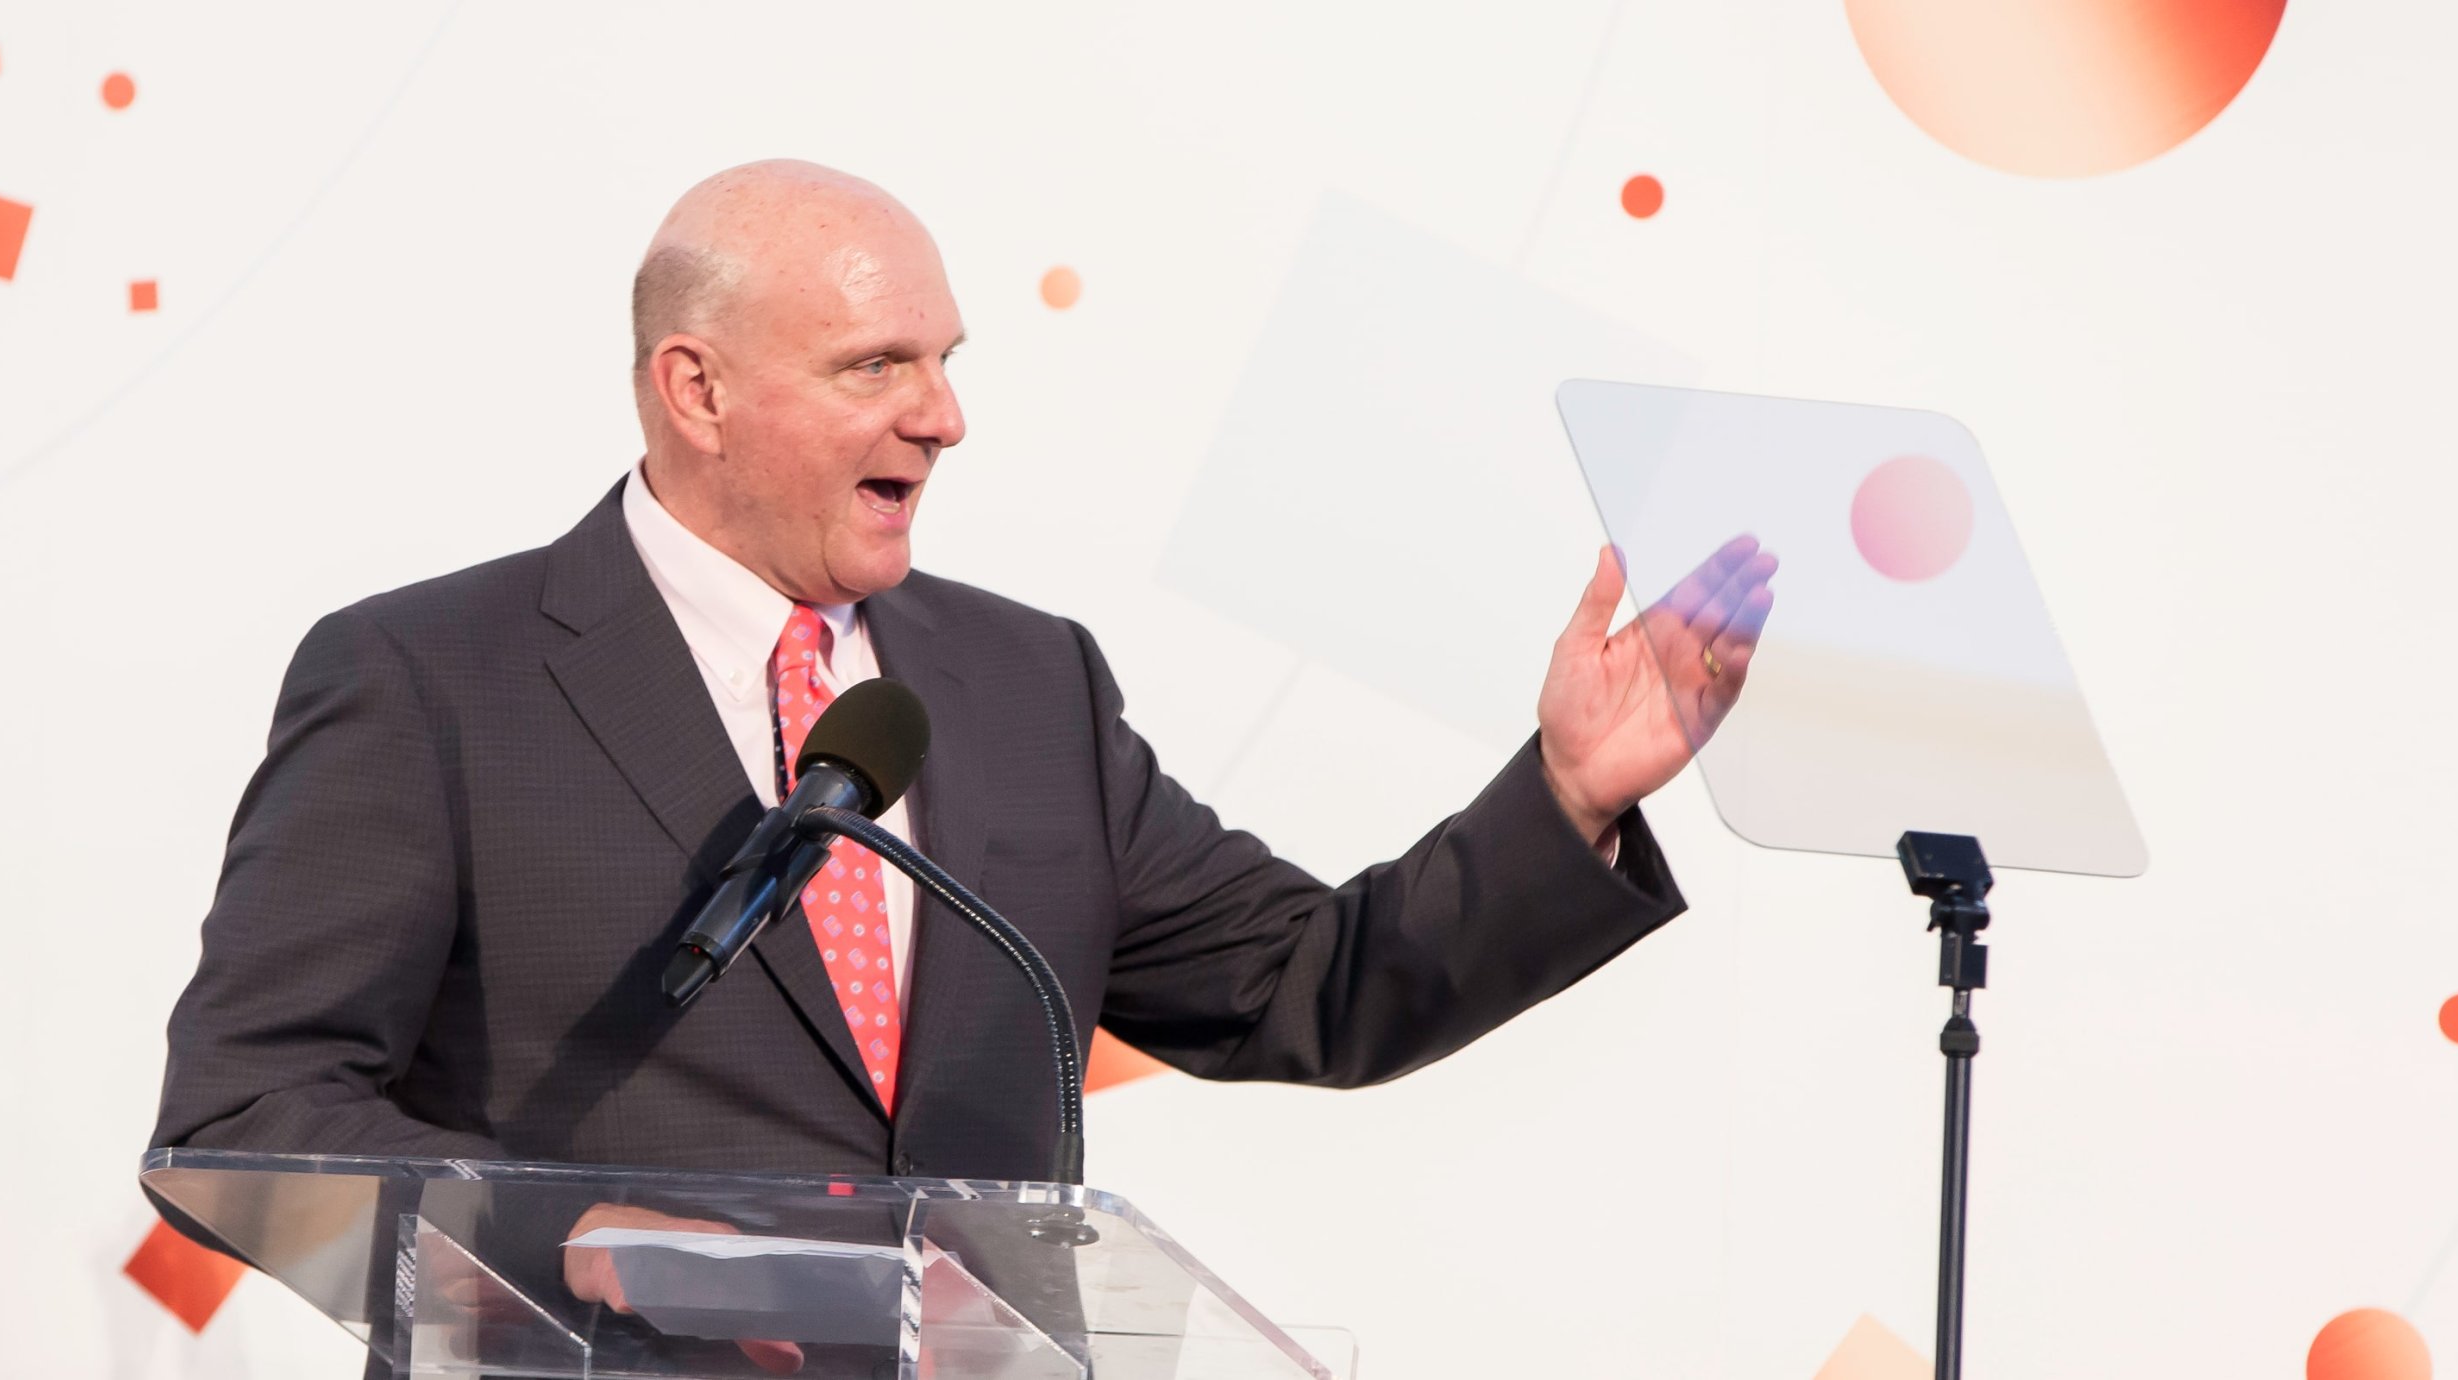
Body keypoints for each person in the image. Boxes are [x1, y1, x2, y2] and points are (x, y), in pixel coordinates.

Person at [150, 159, 1774, 1326]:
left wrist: (1565, 794)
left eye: (944, 361)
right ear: (695, 390)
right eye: (878, 366)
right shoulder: (432, 678)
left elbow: (1313, 985)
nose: (943, 416)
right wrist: (582, 1236)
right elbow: (248, 1119)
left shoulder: (1021, 684)